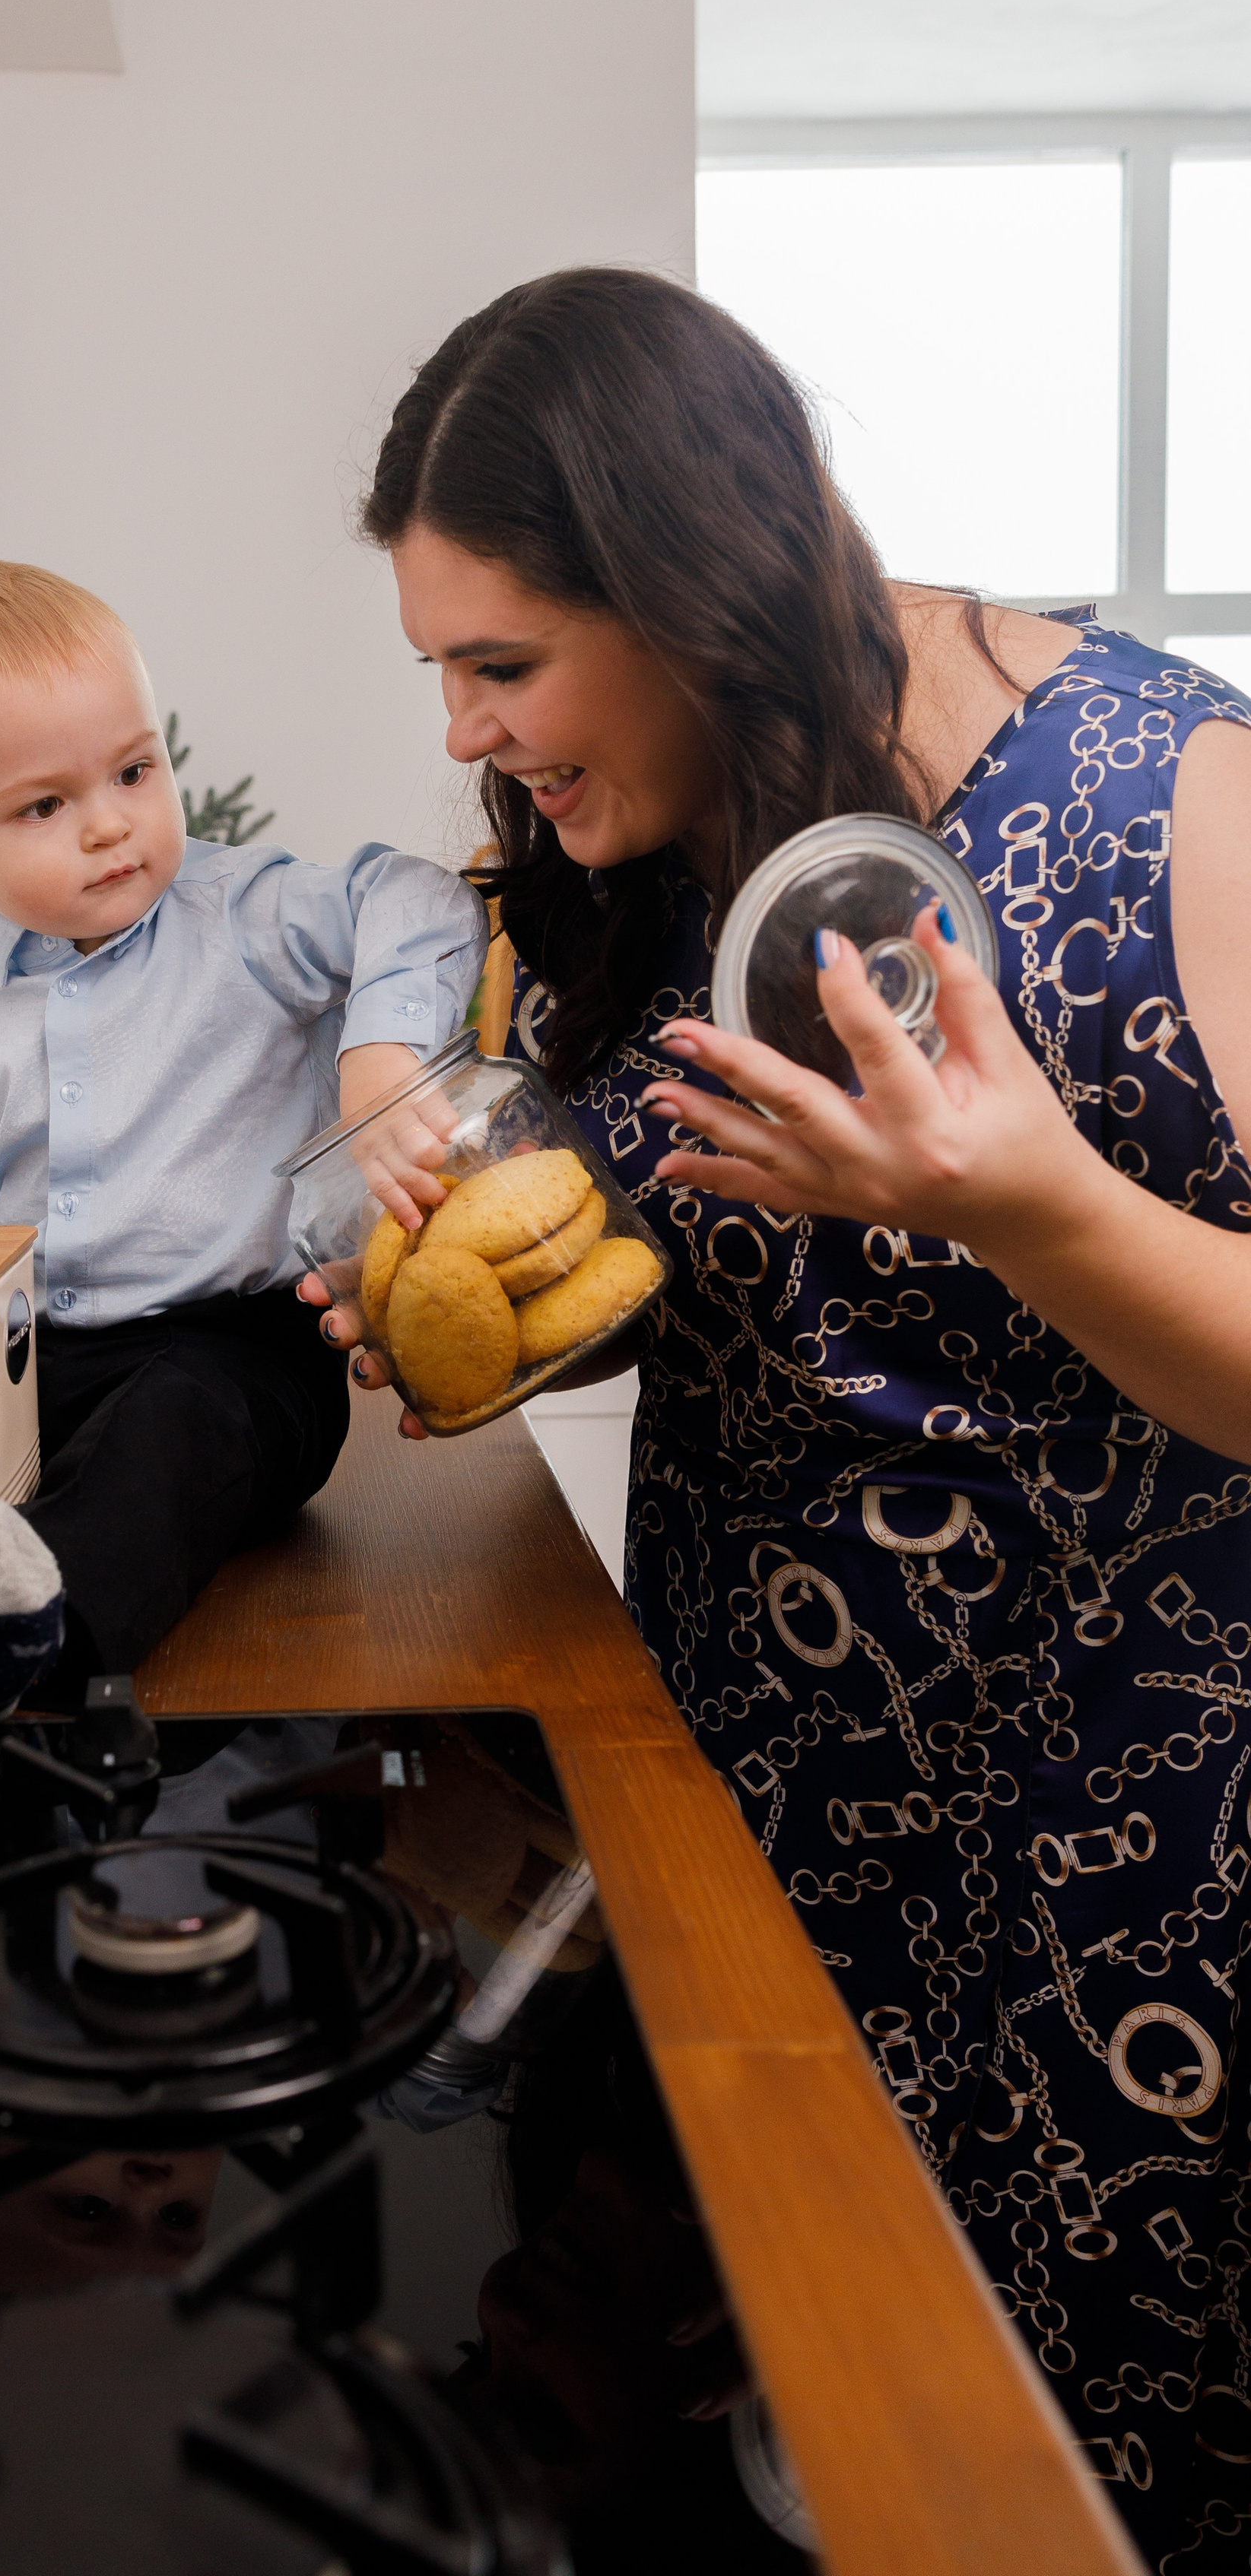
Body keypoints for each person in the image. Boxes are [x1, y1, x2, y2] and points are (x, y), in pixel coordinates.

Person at [310, 265, 1251, 2566]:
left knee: (1047, 2487)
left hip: (1111, 1892)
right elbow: (750, 1287)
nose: (463, 728)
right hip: (763, 1841)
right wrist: (515, 1308)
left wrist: (1030, 1205)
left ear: (684, 584)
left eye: (500, 662)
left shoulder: (1176, 799)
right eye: (439, 667)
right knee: (755, 2459)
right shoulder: (661, 824)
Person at [0, 560, 483, 1712]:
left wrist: (378, 1055)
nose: (110, 824)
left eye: (135, 770)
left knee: (174, 1425)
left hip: (243, 1354)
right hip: (42, 1358)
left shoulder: (245, 917)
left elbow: (423, 899)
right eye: (44, 806)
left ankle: (25, 1635)